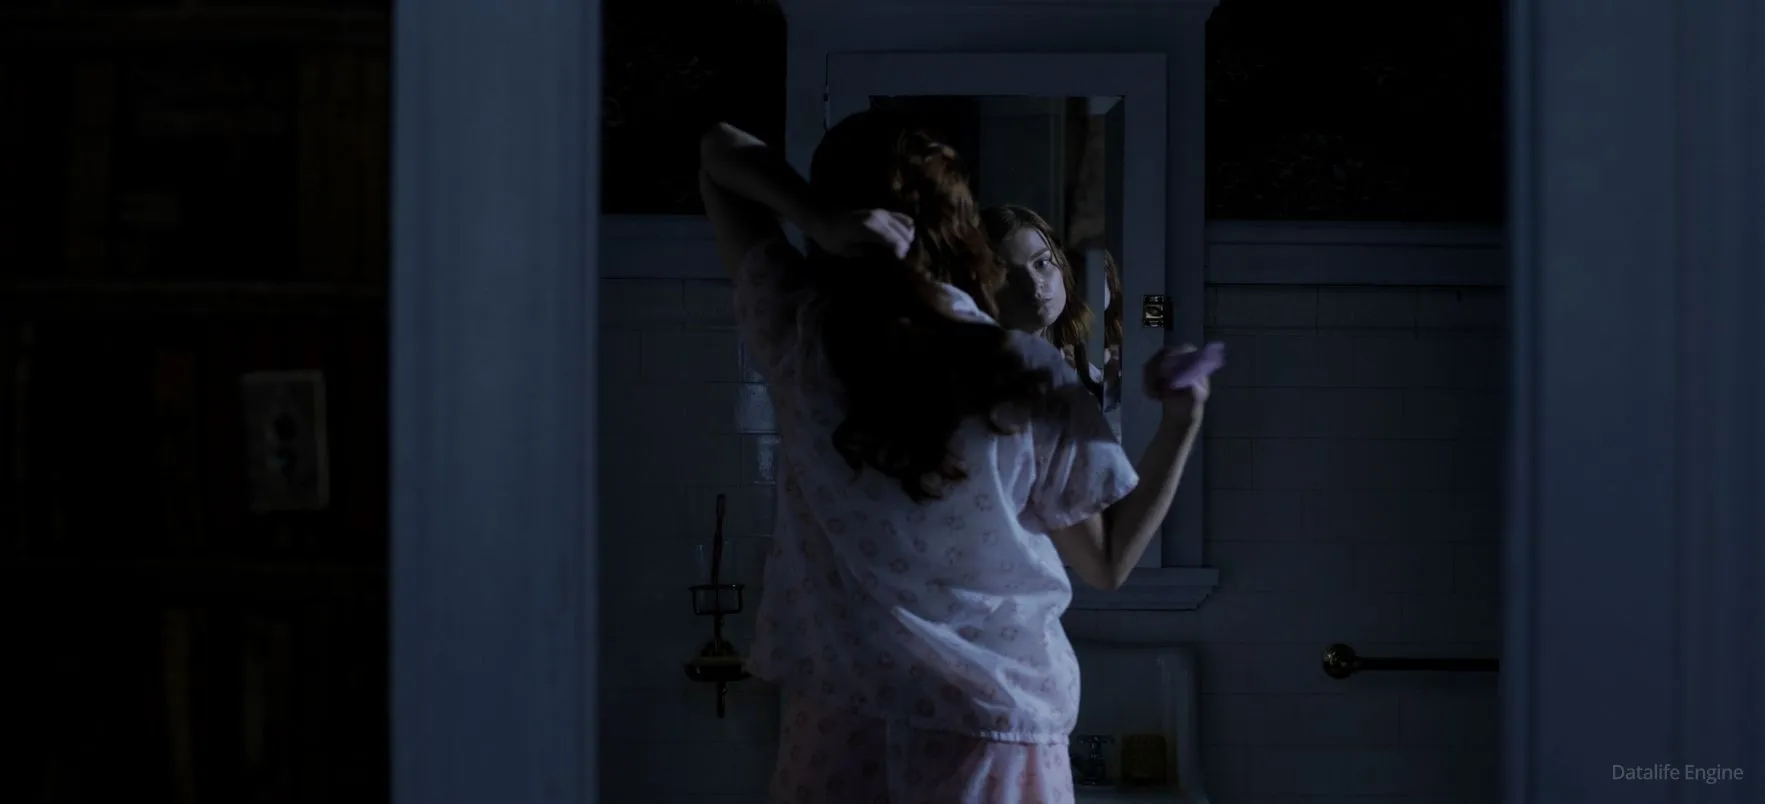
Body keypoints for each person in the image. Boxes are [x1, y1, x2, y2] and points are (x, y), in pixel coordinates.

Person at [698, 111, 1207, 804]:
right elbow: (1107, 562)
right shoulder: (1026, 372)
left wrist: (815, 218)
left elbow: (719, 153)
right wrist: (1182, 420)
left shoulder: (797, 333)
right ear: (964, 229)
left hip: (841, 709)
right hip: (996, 718)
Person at [980, 204, 1123, 414]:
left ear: (1061, 263)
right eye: (1009, 275)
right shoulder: (990, 380)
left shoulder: (1077, 360)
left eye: (1042, 263)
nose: (1034, 284)